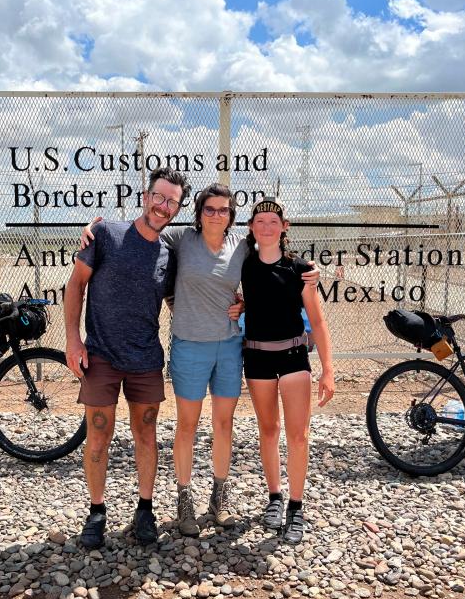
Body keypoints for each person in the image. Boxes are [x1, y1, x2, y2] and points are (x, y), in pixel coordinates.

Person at [81, 186, 318, 538]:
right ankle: (184, 501)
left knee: (223, 425)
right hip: (190, 347)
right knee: (187, 427)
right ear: (198, 212)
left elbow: (272, 269)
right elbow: (145, 229)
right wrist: (91, 229)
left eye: (224, 210)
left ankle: (218, 500)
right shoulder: (180, 239)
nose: (216, 215)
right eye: (209, 209)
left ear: (232, 215)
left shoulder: (242, 244)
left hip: (229, 346)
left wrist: (305, 273)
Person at [64, 166, 189, 549]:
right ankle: (96, 512)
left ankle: (145, 509)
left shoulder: (170, 252)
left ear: (177, 208)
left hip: (145, 360)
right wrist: (72, 340)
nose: (163, 206)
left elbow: (177, 299)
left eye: (172, 201)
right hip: (100, 355)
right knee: (98, 434)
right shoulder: (105, 234)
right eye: (159, 196)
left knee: (146, 435)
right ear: (146, 195)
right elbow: (75, 286)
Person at [241, 197, 334, 544]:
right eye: (260, 220)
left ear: (284, 227)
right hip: (257, 359)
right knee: (269, 430)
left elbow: (319, 321)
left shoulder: (301, 269)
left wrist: (328, 369)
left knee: (298, 435)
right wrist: (237, 307)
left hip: (294, 357)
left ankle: (296, 506)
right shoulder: (245, 264)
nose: (266, 227)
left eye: (273, 221)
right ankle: (275, 498)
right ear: (252, 227)